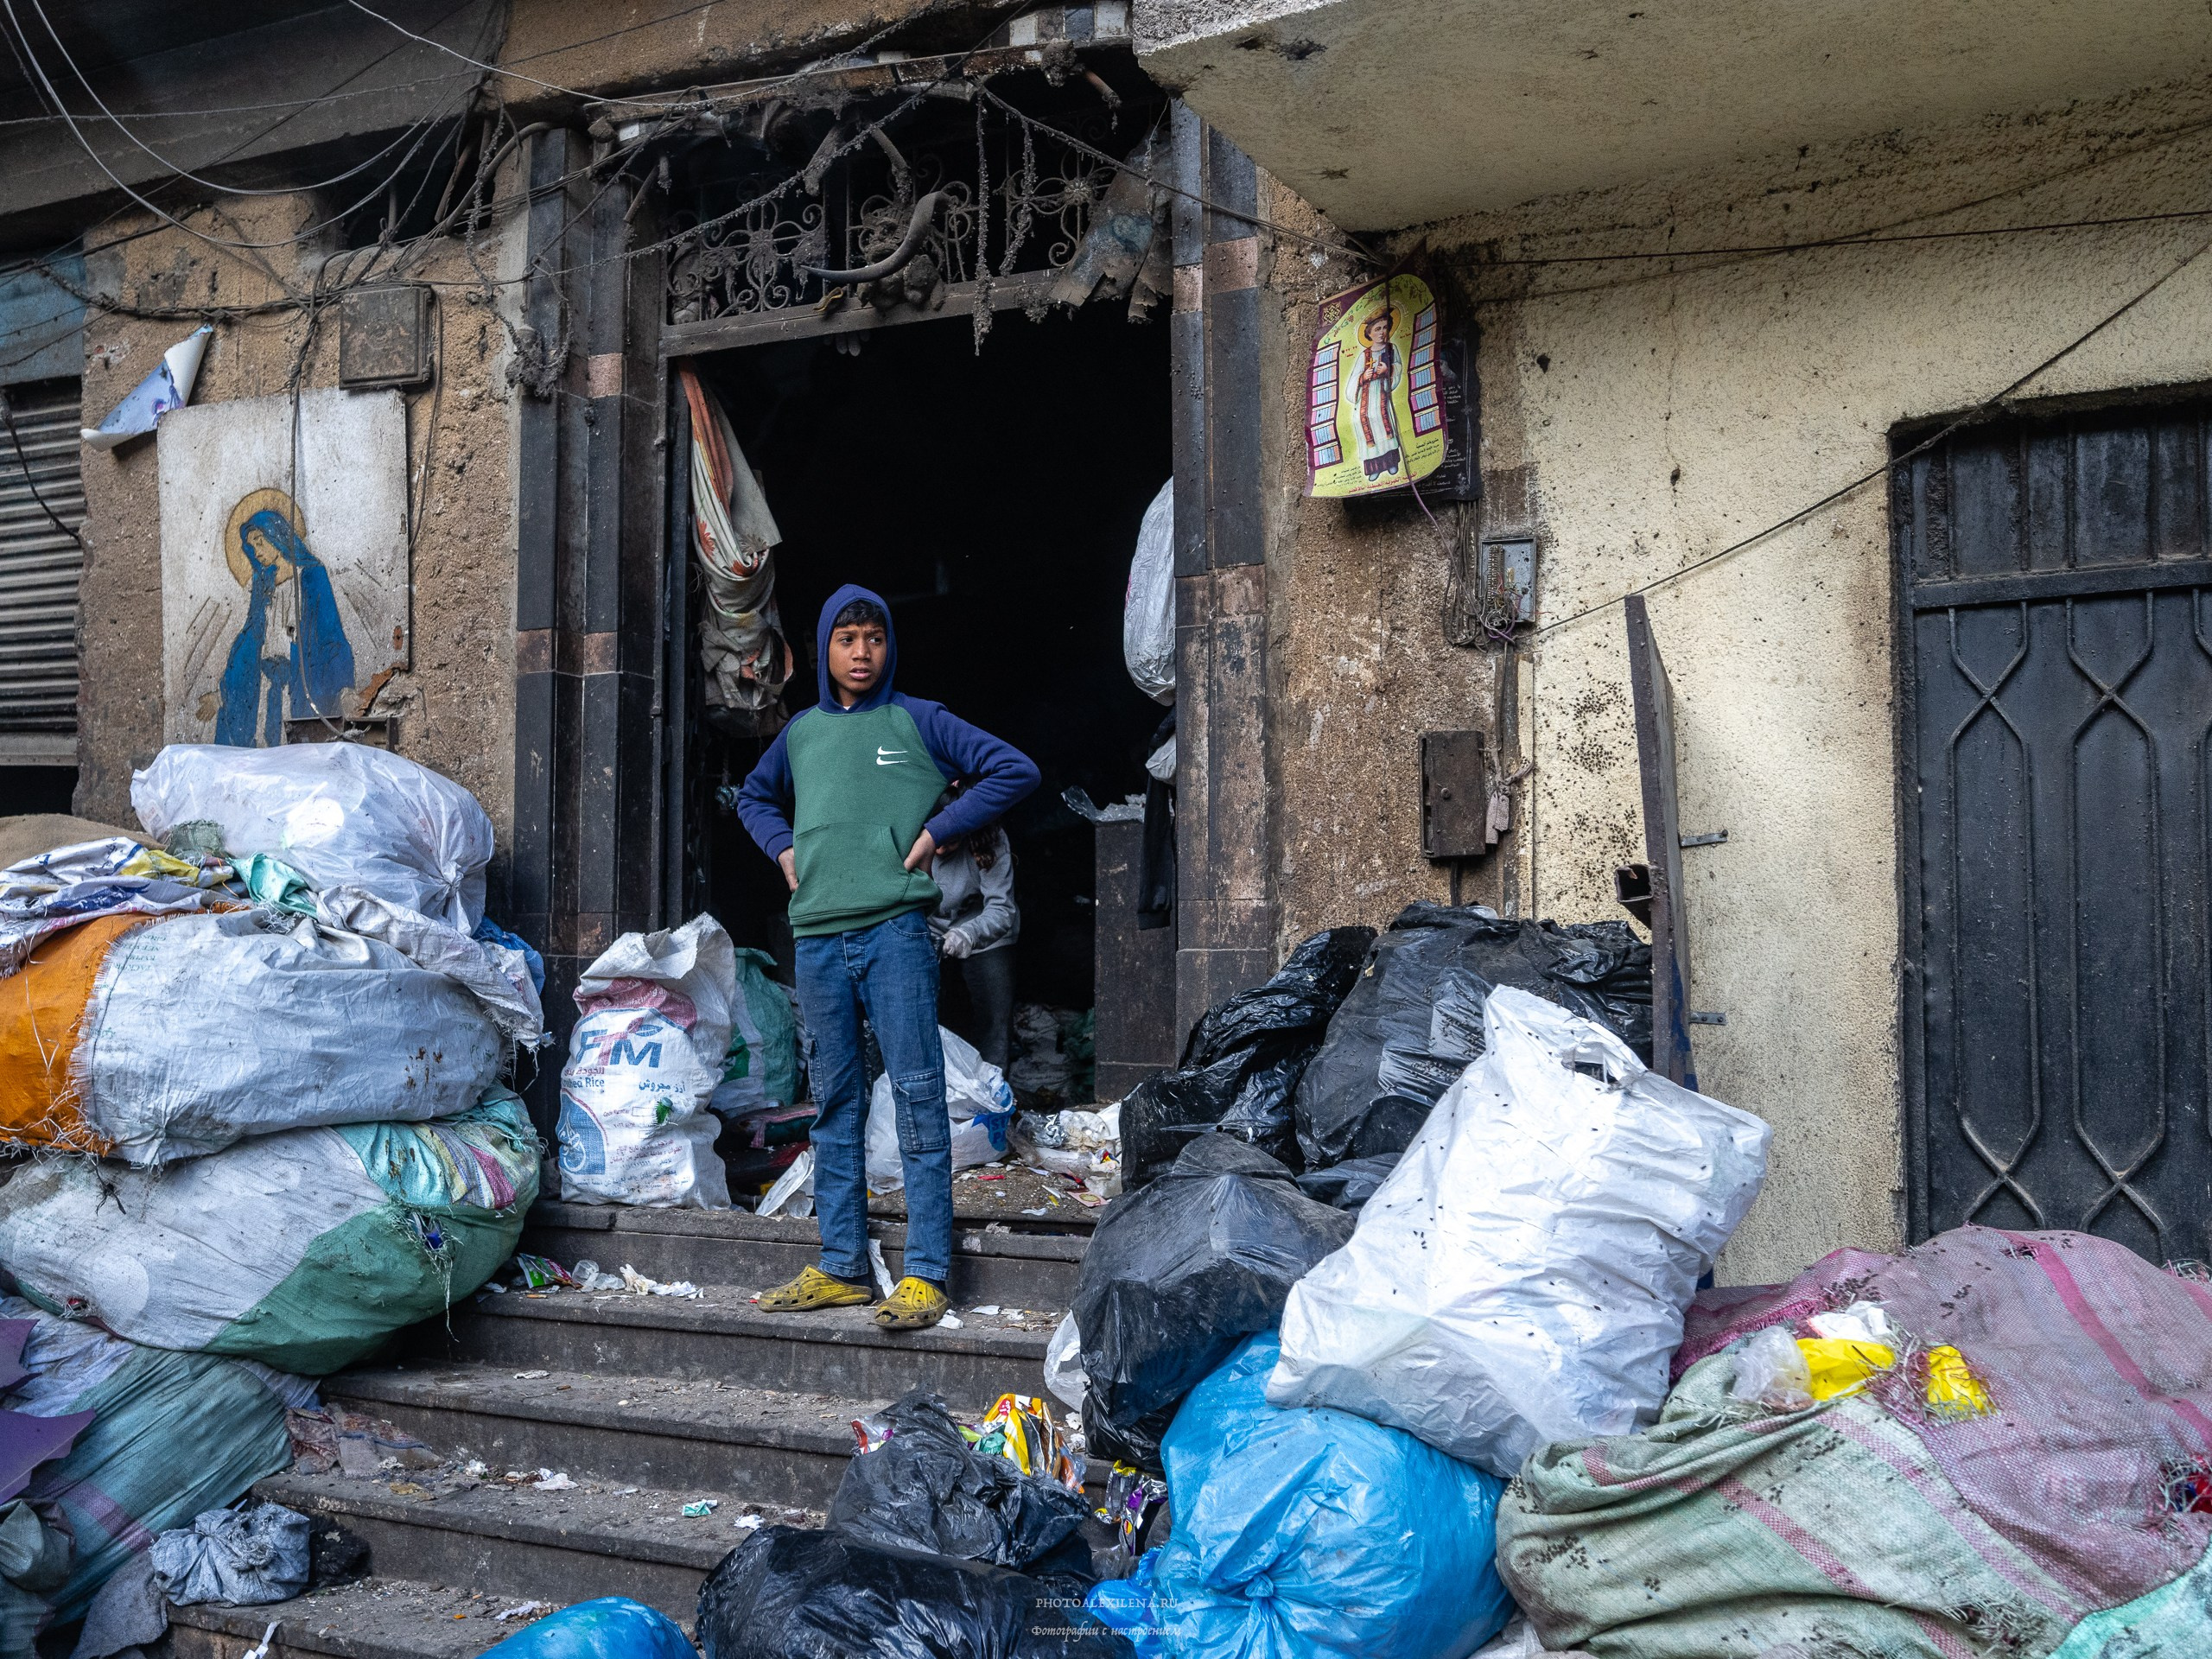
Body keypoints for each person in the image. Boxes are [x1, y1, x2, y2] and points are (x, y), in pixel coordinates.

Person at [734, 584, 1039, 1329]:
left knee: (915, 1092)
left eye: (872, 638)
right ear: (824, 651)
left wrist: (935, 835)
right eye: (847, 639)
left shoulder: (918, 720)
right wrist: (782, 852)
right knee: (835, 1102)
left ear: (888, 646)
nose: (861, 652)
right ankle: (842, 1265)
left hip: (896, 936)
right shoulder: (802, 732)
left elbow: (1013, 769)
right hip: (817, 940)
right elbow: (753, 796)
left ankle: (926, 1272)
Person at [929, 817, 1018, 1071]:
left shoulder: (990, 836)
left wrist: (967, 934)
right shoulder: (905, 834)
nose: (942, 848)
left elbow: (1001, 908)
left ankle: (994, 1095)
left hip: (985, 926)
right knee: (928, 1014)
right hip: (927, 926)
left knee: (995, 1017)